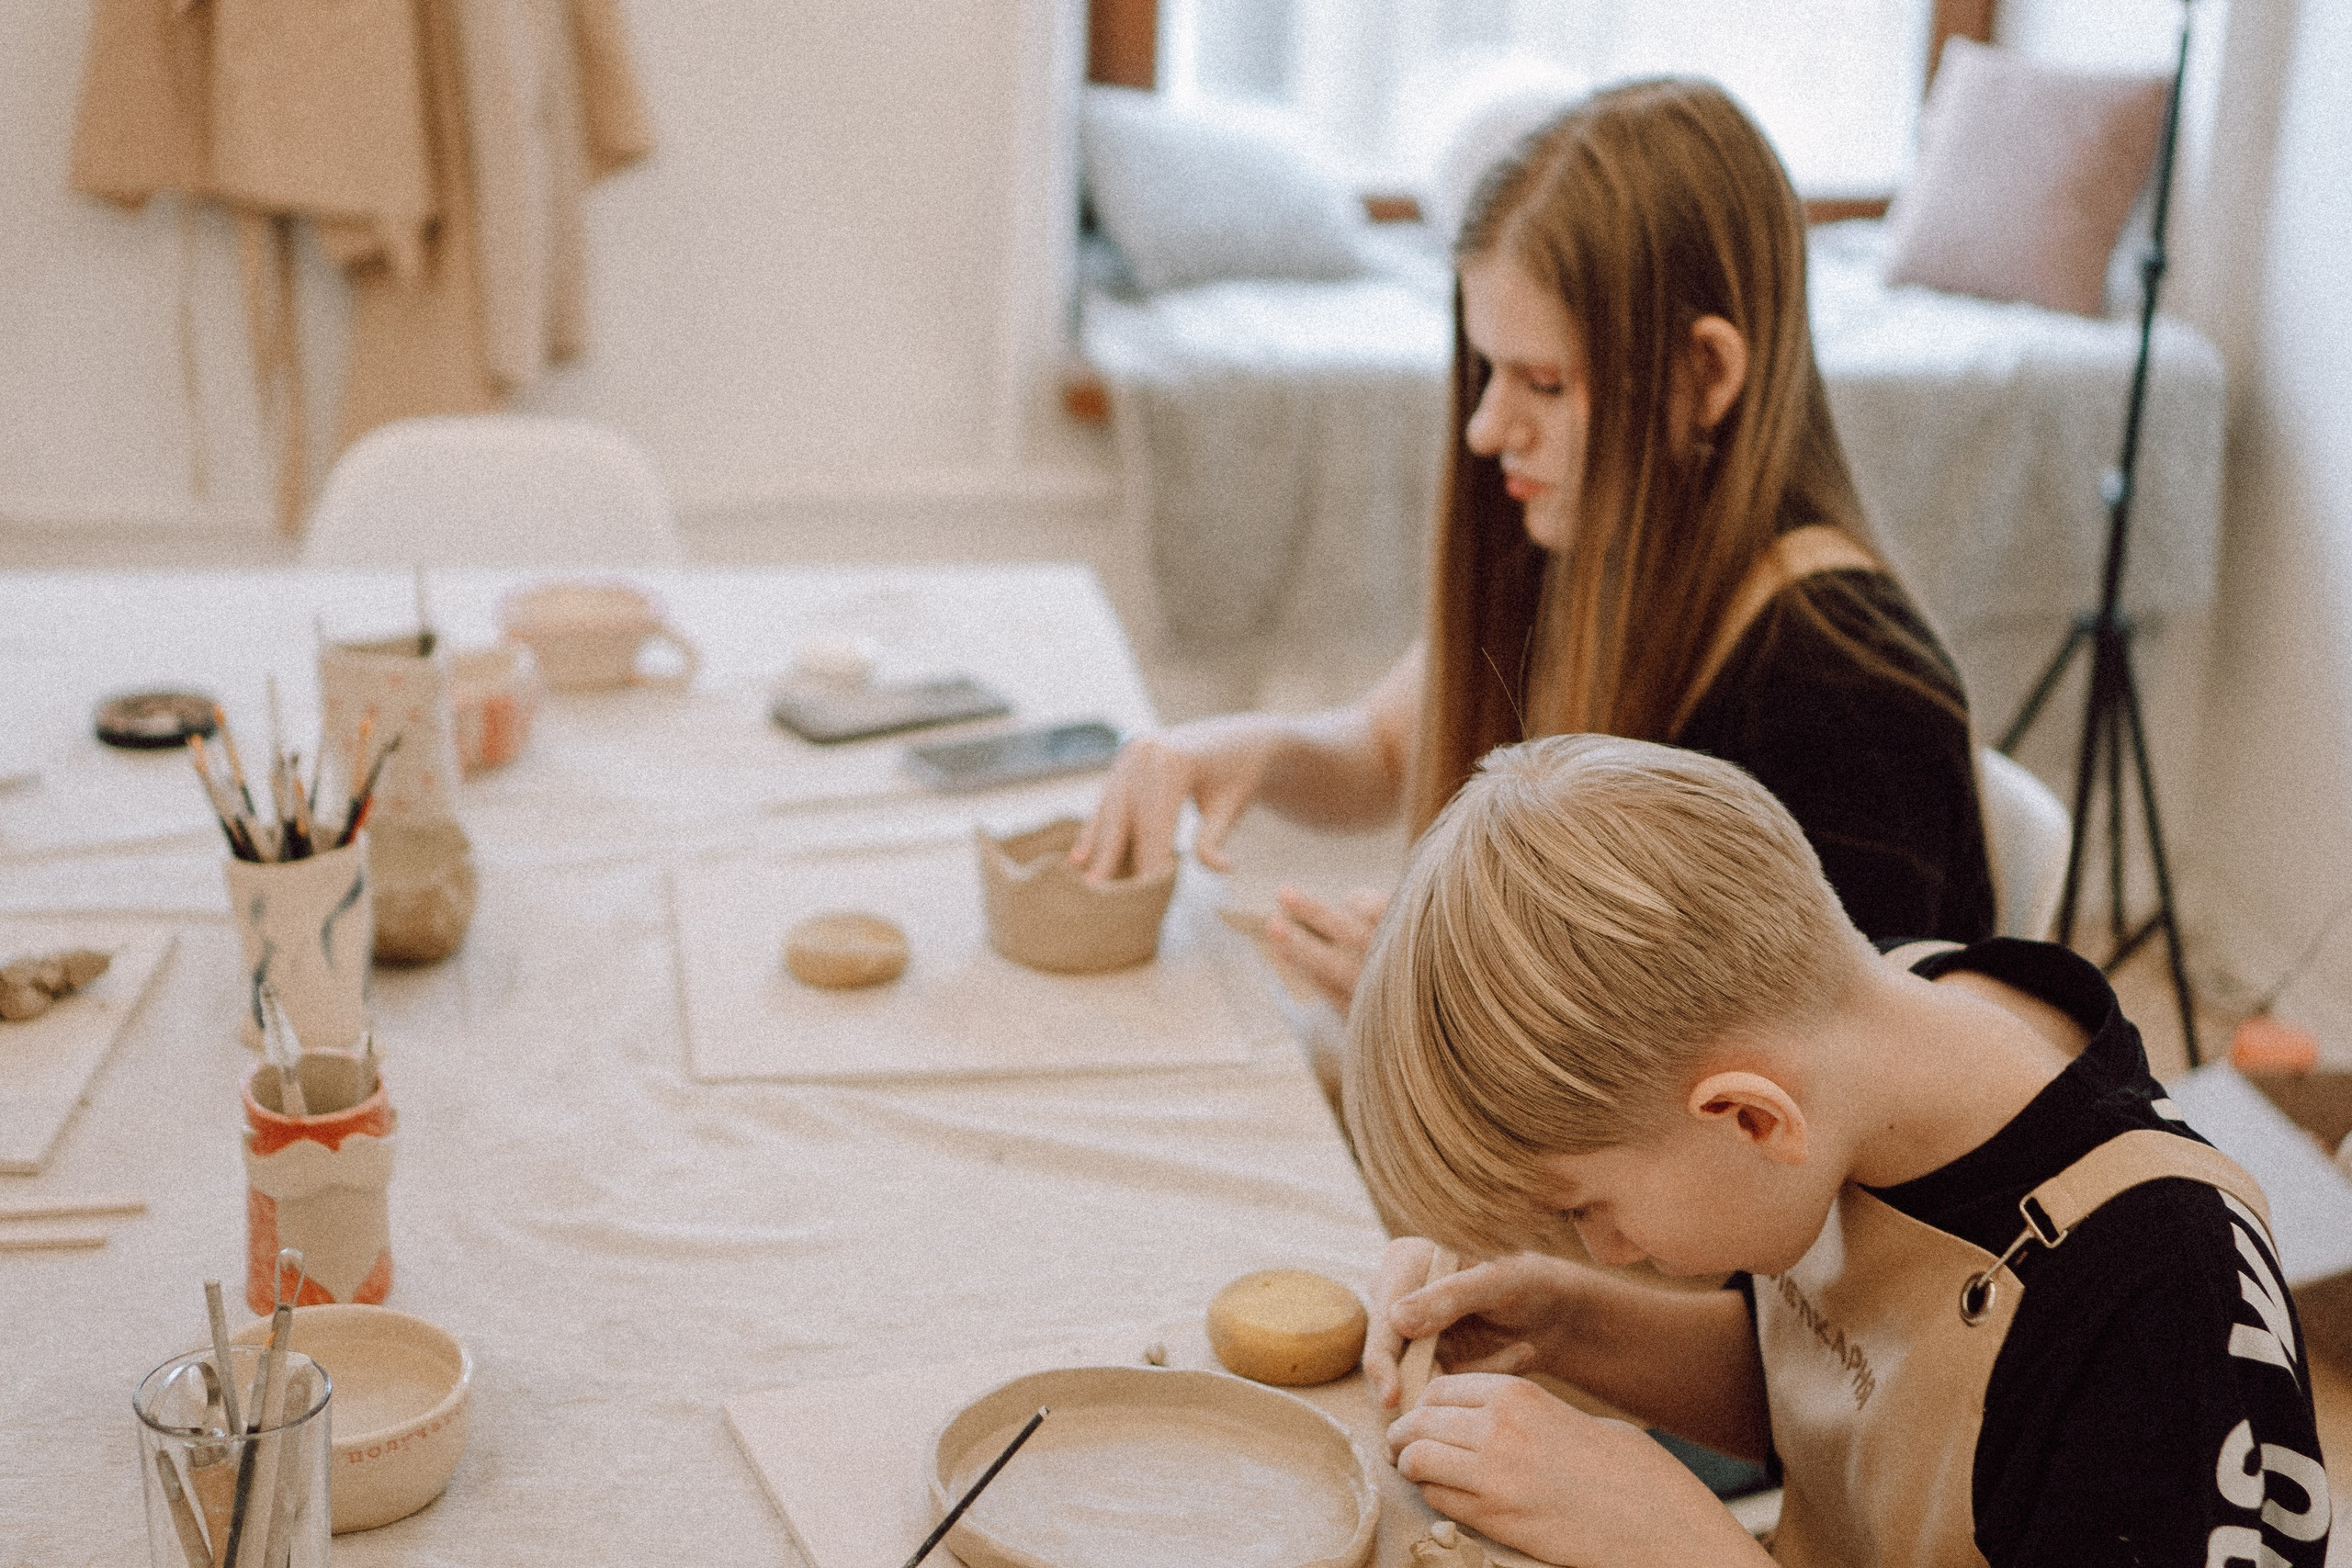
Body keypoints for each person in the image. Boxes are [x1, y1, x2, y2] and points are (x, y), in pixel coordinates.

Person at [1075, 79, 1994, 1012]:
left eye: (1545, 384)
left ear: (1707, 372)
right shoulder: (1589, 538)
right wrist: (1246, 749)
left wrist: (1444, 1027)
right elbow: (1387, 749)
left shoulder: (1849, 698)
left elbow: (1813, 1089)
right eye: (1487, 371)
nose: (1485, 429)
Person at [1347, 733, 2326, 1568]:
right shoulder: (1858, 1035)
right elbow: (1847, 1396)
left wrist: (1681, 1545)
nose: (1601, 1248)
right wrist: (1565, 1323)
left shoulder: (2160, 1299)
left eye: (1584, 1208)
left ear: (1749, 1118)